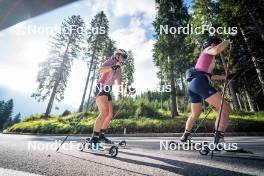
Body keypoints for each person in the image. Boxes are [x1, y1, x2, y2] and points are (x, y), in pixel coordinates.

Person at [181, 35, 233, 144]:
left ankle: (186, 135)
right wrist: (228, 40)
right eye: (217, 43)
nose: (219, 47)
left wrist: (225, 77)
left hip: (193, 85)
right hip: (200, 82)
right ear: (213, 43)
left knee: (195, 113)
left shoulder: (205, 59)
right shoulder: (208, 50)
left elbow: (210, 76)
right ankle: (219, 138)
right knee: (225, 108)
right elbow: (215, 50)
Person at [90, 49, 128, 144]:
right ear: (117, 56)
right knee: (104, 112)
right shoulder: (110, 61)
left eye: (125, 58)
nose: (124, 59)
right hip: (101, 87)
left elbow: (119, 83)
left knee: (110, 115)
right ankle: (94, 138)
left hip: (108, 90)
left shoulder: (119, 69)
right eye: (123, 57)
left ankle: (101, 136)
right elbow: (101, 70)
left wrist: (127, 90)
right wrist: (112, 67)